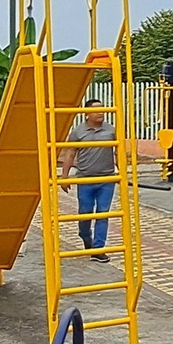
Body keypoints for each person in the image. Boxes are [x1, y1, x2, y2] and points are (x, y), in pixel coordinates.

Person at [61, 107, 119, 263]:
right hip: (85, 179)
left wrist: (122, 171)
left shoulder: (111, 130)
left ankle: (98, 249)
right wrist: (65, 176)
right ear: (87, 114)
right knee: (85, 212)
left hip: (106, 179)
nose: (100, 113)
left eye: (102, 110)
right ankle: (85, 235)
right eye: (96, 110)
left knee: (102, 213)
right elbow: (70, 153)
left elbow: (118, 151)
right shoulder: (78, 132)